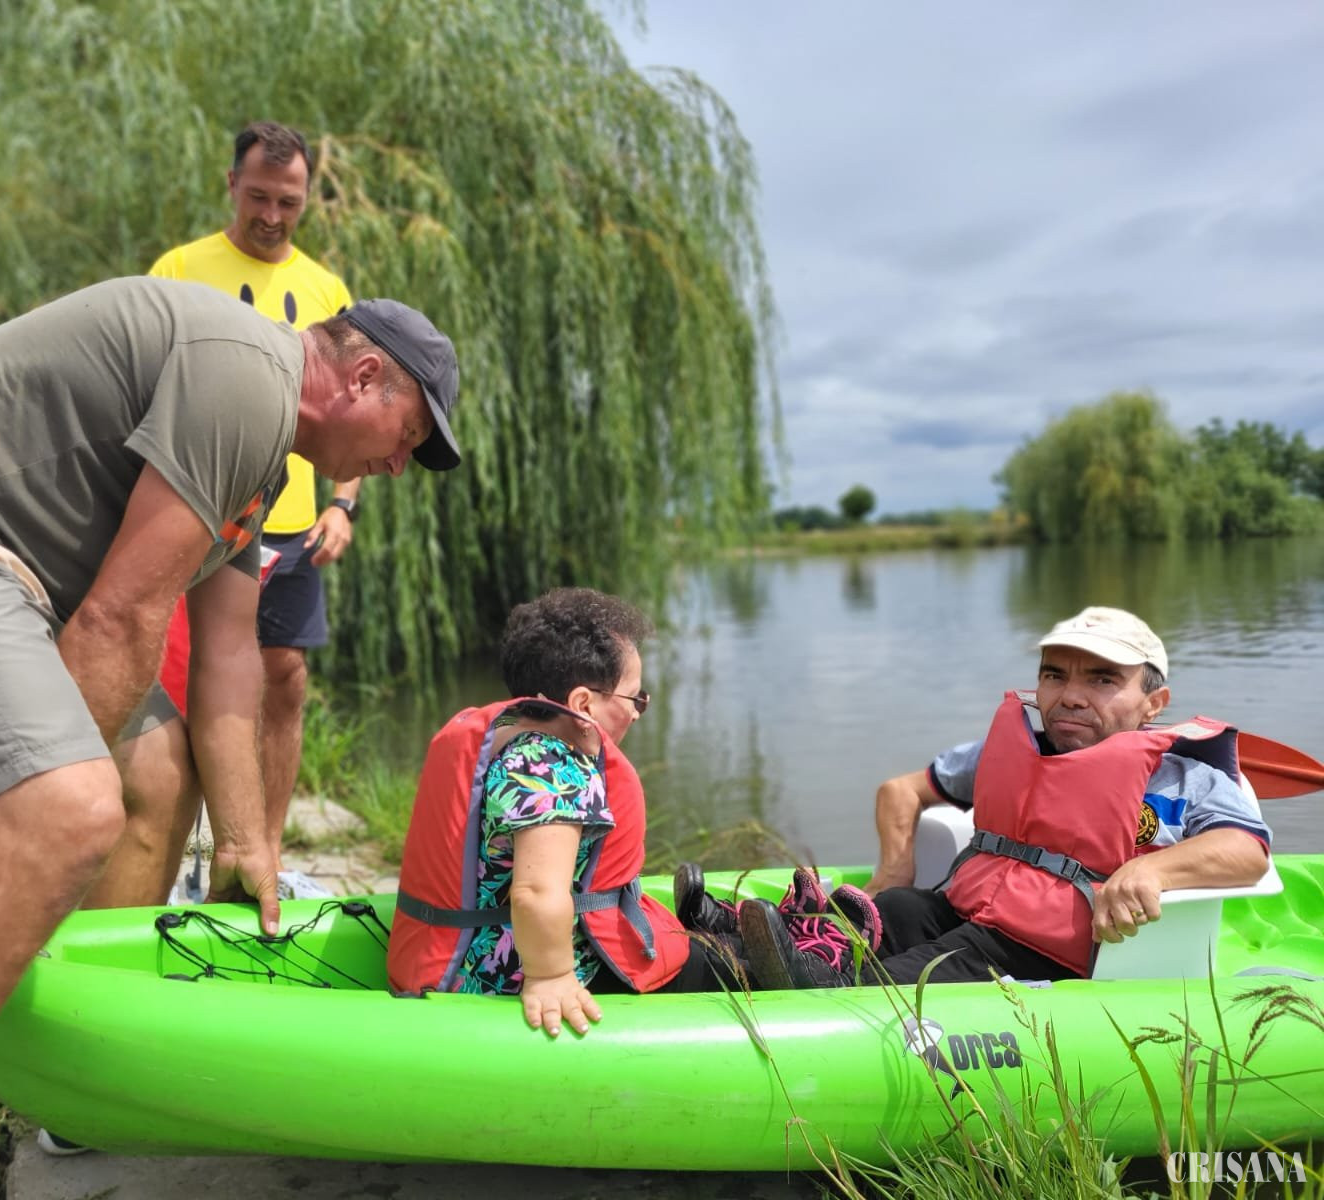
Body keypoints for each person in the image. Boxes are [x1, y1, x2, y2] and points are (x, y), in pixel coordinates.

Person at [0, 275, 461, 1200]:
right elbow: (121, 617)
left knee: (159, 775)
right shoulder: (245, 376)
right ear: (365, 376)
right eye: (407, 437)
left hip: (5, 574)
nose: (396, 468)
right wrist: (41, 808)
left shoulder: (263, 465)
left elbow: (230, 655)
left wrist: (248, 840)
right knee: (67, 813)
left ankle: (71, 1065)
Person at [729, 606, 1273, 990]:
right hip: (969, 911)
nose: (1071, 697)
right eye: (1054, 675)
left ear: (1154, 703)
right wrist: (895, 868)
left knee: (923, 968)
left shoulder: (1185, 779)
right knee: (897, 906)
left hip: (1047, 951)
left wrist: (1152, 870)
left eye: (1102, 681)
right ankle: (736, 948)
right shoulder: (1006, 752)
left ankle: (816, 987)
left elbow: (1246, 850)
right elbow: (901, 791)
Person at [386, 588, 843, 1037]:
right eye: (634, 699)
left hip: (464, 954)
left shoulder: (506, 739)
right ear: (583, 705)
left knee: (715, 948)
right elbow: (538, 893)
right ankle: (832, 977)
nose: (639, 713)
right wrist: (551, 978)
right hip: (507, 976)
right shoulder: (554, 769)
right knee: (733, 970)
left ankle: (737, 933)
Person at [150, 121, 357, 898]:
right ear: (232, 185)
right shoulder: (180, 268)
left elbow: (351, 410)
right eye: (260, 197)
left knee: (285, 678)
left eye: (289, 202)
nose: (272, 215)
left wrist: (343, 504)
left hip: (292, 520)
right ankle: (177, 853)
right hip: (203, 507)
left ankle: (263, 850)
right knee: (190, 678)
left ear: (307, 199)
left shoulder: (327, 288)